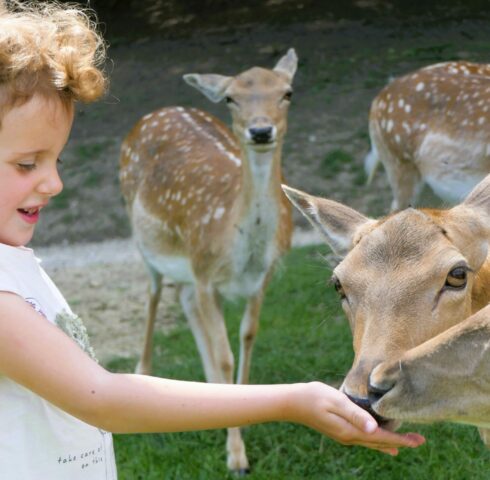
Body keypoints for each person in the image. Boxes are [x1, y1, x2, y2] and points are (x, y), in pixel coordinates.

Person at [0, 1, 425, 478]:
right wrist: (290, 399)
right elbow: (103, 398)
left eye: (56, 161)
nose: (54, 183)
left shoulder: (13, 259)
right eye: (26, 164)